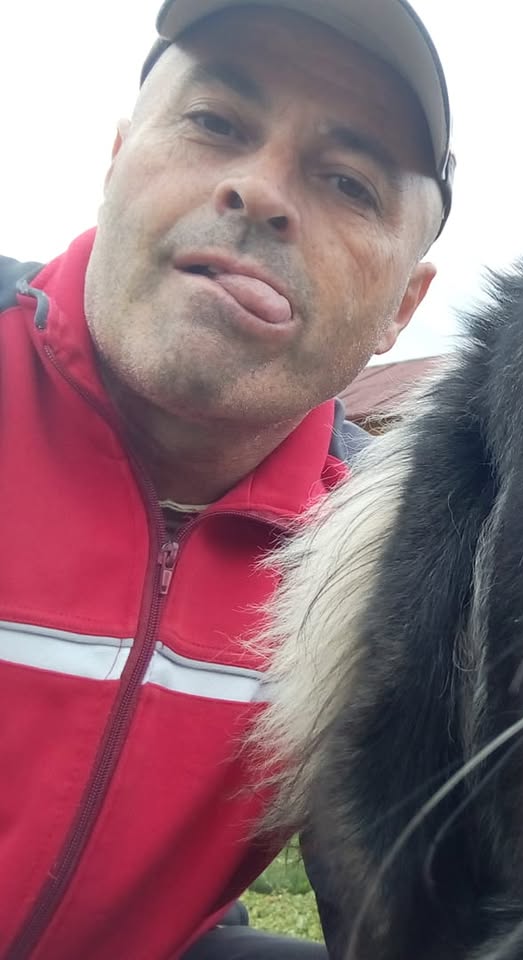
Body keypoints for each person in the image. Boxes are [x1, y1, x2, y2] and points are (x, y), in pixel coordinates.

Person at [0, 1, 454, 957]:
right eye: (215, 123)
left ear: (403, 308)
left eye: (348, 181)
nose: (259, 190)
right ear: (116, 160)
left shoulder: (386, 563)